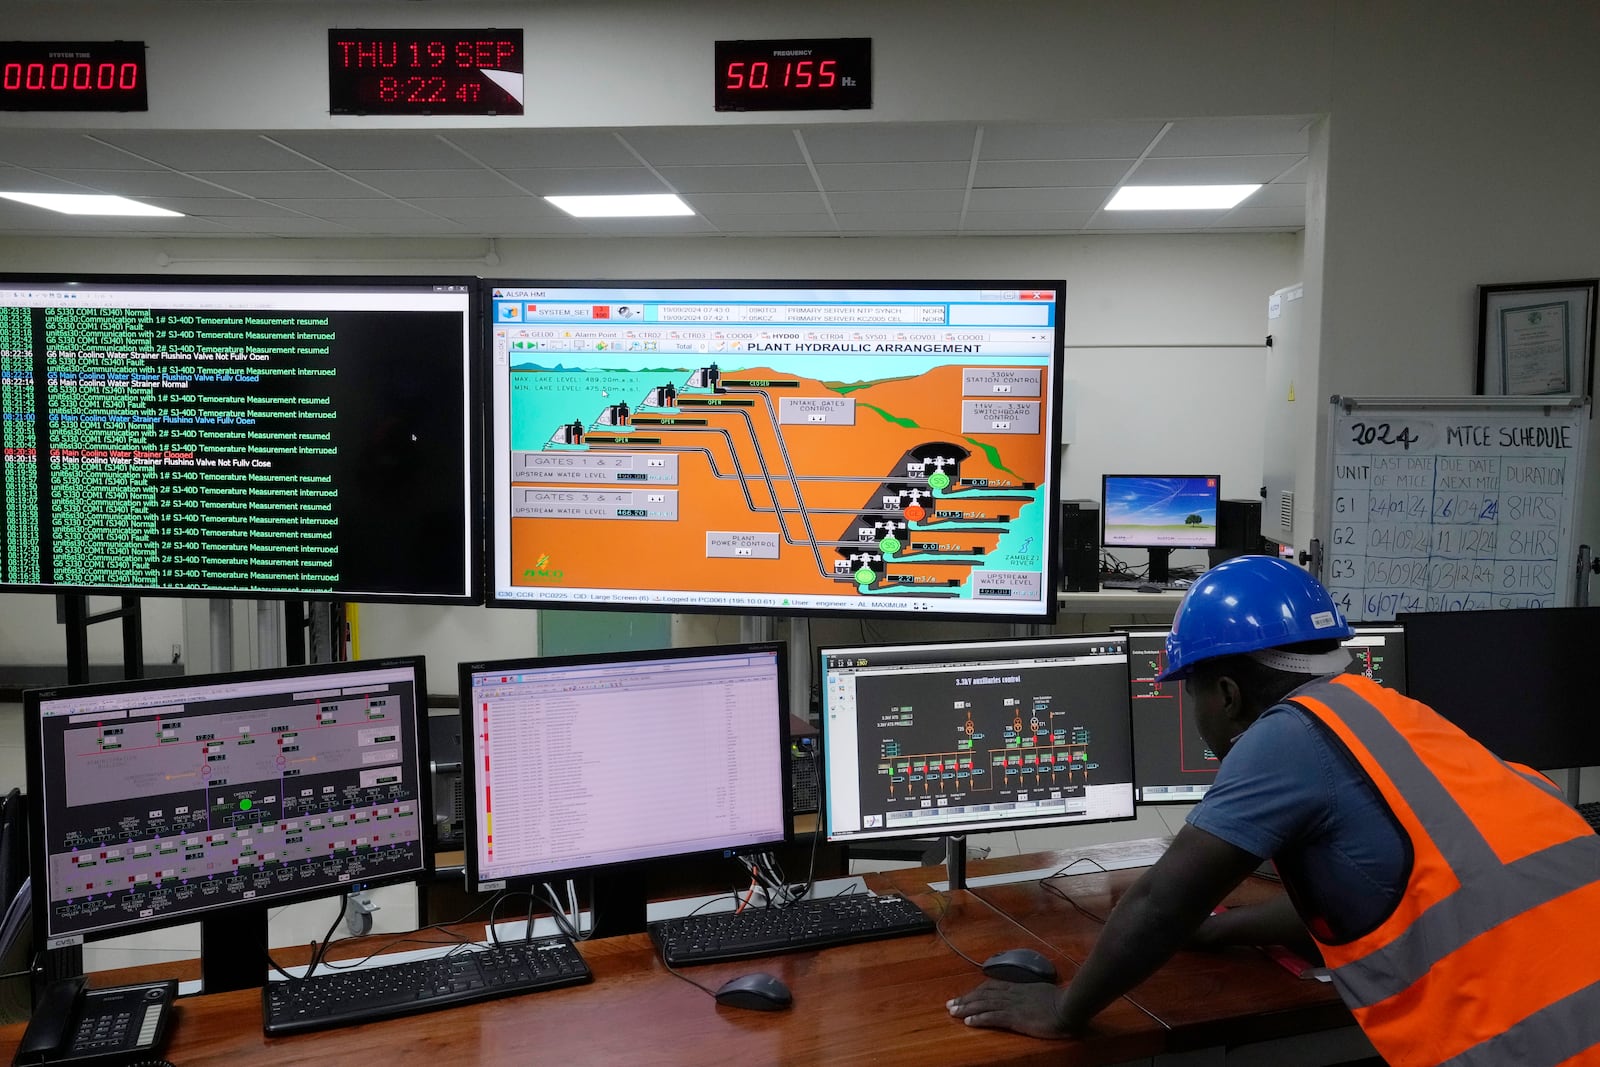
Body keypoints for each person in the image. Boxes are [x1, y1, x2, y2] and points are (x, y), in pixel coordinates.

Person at [947, 554, 1600, 1067]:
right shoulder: (1394, 714)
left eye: (1192, 692)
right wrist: (1217, 931)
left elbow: (1159, 902)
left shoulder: (1287, 734)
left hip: (1539, 1040)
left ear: (1227, 693)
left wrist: (1064, 1009)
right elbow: (1380, 887)